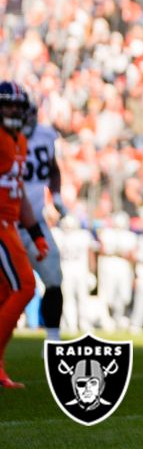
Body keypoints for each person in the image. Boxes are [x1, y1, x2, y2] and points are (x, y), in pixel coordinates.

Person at [0, 82, 50, 389]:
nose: (15, 111)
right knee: (26, 286)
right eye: (9, 106)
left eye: (19, 107)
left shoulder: (19, 142)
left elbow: (20, 197)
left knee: (6, 295)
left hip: (11, 226)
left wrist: (37, 233)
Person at [15, 91, 70, 340]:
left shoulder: (46, 136)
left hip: (35, 221)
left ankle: (53, 338)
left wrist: (56, 198)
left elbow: (53, 170)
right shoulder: (6, 138)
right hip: (7, 223)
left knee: (53, 278)